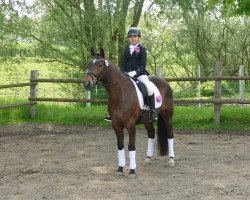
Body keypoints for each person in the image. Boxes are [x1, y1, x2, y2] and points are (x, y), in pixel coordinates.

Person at [104, 27, 157, 122]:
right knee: (115, 89)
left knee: (148, 87)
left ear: (138, 38)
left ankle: (152, 111)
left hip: (140, 74)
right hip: (127, 75)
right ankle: (111, 112)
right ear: (128, 38)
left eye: (135, 36)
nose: (133, 38)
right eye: (131, 37)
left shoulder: (142, 49)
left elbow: (142, 65)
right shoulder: (126, 50)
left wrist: (135, 72)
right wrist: (122, 73)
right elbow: (123, 64)